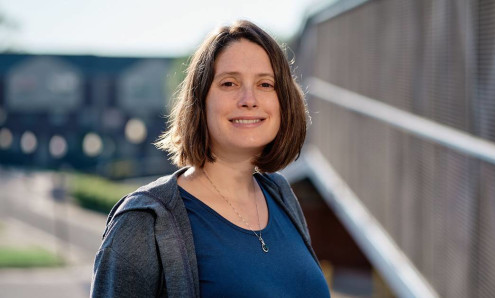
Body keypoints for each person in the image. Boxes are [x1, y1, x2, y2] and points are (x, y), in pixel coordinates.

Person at [90, 20, 330, 297]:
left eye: (266, 84)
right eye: (229, 83)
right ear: (200, 101)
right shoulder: (144, 222)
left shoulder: (281, 195)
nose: (249, 99)